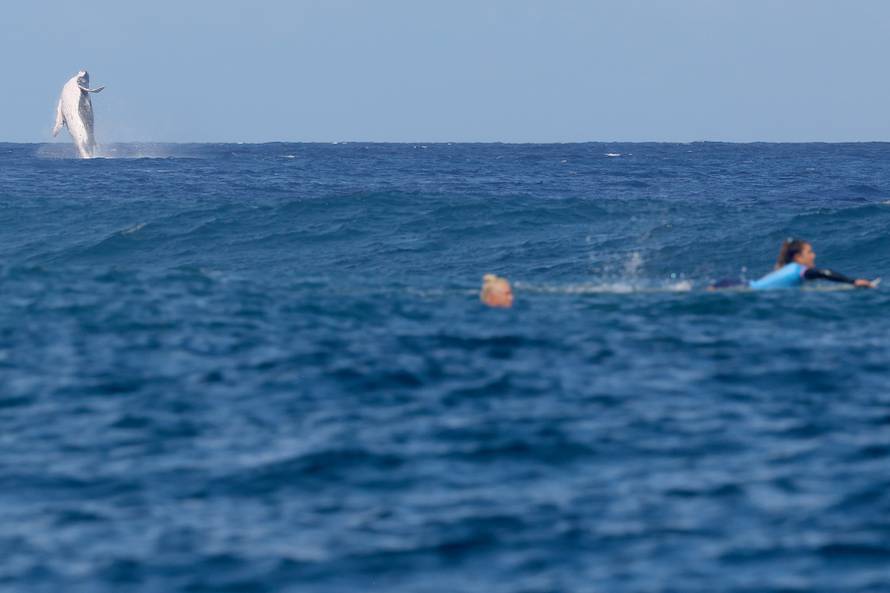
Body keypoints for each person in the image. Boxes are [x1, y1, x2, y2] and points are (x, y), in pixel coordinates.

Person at [717, 238, 878, 290]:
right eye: (809, 252)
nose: (813, 255)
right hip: (739, 287)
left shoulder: (790, 268)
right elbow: (824, 273)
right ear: (798, 257)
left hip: (732, 284)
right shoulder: (798, 270)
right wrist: (854, 282)